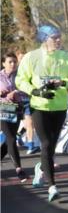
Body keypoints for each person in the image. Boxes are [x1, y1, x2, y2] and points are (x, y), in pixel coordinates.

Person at [15, 25, 68, 202]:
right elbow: (20, 80)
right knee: (45, 143)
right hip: (39, 106)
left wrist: (62, 83)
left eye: (59, 37)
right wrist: (35, 91)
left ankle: (41, 168)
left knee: (51, 145)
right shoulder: (31, 57)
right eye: (54, 37)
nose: (58, 40)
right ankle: (52, 186)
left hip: (59, 106)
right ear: (44, 39)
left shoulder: (66, 57)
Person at [0, 52, 28, 182]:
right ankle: (19, 170)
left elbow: (28, 90)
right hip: (3, 108)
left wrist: (16, 92)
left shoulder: (20, 75)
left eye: (14, 62)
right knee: (11, 138)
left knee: (9, 140)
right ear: (3, 63)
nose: (12, 64)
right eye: (10, 62)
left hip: (17, 108)